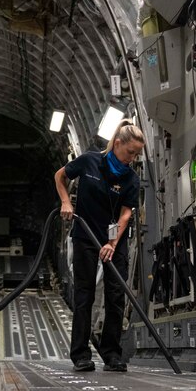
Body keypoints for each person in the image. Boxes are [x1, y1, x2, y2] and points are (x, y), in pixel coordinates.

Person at [54, 119, 144, 372]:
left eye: (137, 154)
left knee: (116, 296)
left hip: (115, 240)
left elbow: (126, 214)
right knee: (85, 294)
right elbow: (60, 176)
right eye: (130, 152)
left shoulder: (131, 179)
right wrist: (66, 202)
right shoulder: (89, 161)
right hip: (85, 236)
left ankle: (112, 353)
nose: (133, 158)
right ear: (117, 144)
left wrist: (113, 243)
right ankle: (81, 354)